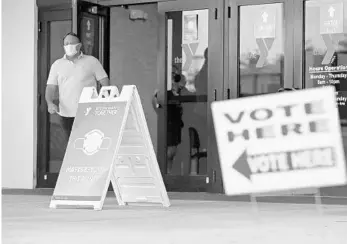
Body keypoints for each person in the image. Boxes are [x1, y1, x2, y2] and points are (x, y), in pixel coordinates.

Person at [45, 32, 110, 138]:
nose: (68, 46)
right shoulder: (57, 65)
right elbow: (51, 87)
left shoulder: (91, 61)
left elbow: (105, 82)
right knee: (70, 146)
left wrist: (104, 101)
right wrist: (50, 103)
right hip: (66, 114)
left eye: (71, 43)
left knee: (89, 144)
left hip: (88, 113)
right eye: (66, 43)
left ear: (79, 45)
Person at [152, 66, 185, 174]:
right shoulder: (163, 87)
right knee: (168, 153)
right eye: (172, 73)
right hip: (168, 121)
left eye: (176, 74)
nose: (175, 75)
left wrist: (176, 85)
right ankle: (163, 174)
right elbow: (156, 102)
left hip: (176, 122)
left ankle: (168, 174)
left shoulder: (178, 85)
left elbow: (181, 92)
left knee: (173, 152)